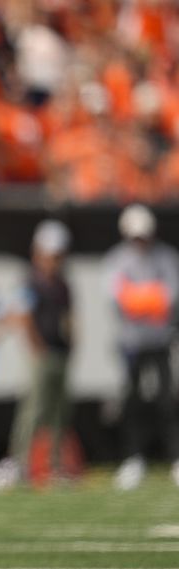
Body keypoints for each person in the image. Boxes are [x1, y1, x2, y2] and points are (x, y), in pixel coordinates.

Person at [0, 219, 77, 492]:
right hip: (43, 356)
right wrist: (37, 349)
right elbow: (23, 317)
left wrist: (72, 343)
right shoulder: (31, 283)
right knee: (33, 411)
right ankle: (20, 463)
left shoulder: (62, 285)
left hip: (61, 353)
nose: (55, 260)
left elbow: (68, 319)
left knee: (59, 413)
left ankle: (56, 466)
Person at [103, 204, 179, 491]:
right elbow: (117, 298)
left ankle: (175, 458)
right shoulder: (117, 260)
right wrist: (149, 298)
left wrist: (138, 298)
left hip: (160, 341)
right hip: (131, 343)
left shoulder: (166, 257)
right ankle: (134, 459)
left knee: (166, 401)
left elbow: (170, 297)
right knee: (132, 403)